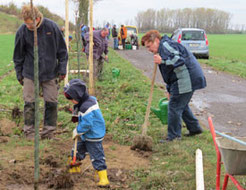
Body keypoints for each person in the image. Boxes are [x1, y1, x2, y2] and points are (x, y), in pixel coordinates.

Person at [13, 4, 68, 139]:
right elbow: (18, 55)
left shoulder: (52, 28)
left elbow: (62, 51)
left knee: (51, 102)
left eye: (30, 24)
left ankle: (48, 132)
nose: (28, 27)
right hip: (30, 72)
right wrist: (19, 74)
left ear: (37, 19)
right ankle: (30, 132)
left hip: (50, 72)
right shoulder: (22, 31)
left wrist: (62, 70)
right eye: (26, 24)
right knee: (29, 102)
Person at [141, 30, 206, 142]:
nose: (149, 50)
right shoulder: (162, 48)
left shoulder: (166, 46)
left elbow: (179, 59)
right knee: (181, 104)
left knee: (174, 106)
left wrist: (163, 61)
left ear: (156, 40)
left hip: (187, 78)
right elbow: (170, 73)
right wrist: (169, 90)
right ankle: (195, 128)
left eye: (149, 46)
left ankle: (174, 137)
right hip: (183, 78)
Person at [64, 79, 110, 187]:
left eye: (72, 99)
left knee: (96, 156)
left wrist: (77, 131)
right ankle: (75, 168)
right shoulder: (86, 101)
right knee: (76, 151)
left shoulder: (86, 107)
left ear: (78, 96)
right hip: (85, 135)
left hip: (93, 135)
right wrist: (76, 117)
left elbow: (87, 124)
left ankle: (104, 178)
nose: (71, 101)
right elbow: (80, 113)